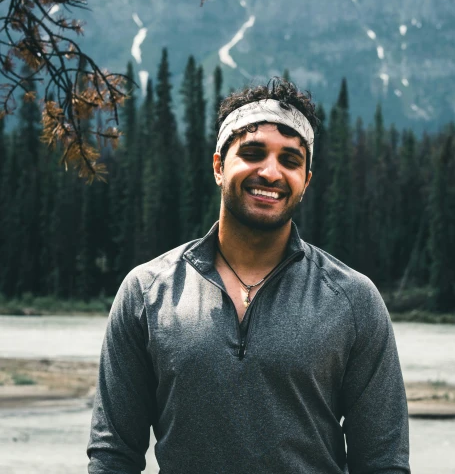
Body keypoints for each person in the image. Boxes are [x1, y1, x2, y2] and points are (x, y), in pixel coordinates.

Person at [87, 78, 410, 474]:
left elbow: (383, 462)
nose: (271, 173)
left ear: (305, 181)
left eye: (290, 161)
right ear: (220, 166)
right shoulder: (146, 291)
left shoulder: (354, 300)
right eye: (253, 153)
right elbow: (112, 456)